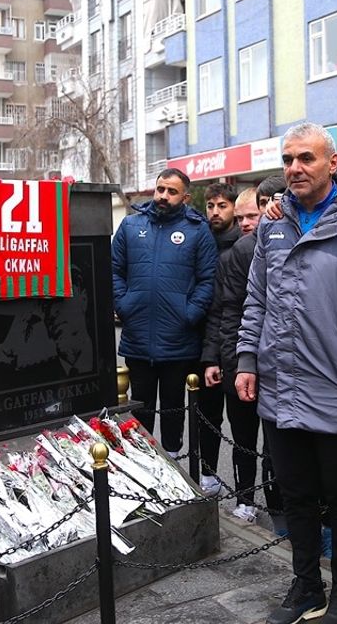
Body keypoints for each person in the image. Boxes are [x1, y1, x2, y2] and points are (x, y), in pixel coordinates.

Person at [236, 123, 337, 624]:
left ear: (333, 162)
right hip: (280, 389)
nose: (294, 168)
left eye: (305, 158)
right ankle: (306, 586)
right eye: (287, 160)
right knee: (296, 496)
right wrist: (246, 359)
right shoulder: (273, 224)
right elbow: (256, 298)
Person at [112, 168, 217, 457]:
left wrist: (189, 314)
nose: (163, 196)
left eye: (171, 192)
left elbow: (208, 280)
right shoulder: (131, 226)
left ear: (184, 196)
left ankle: (173, 464)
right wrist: (124, 305)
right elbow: (114, 271)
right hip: (138, 338)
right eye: (160, 189)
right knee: (139, 409)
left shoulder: (198, 230)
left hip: (178, 341)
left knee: (174, 411)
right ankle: (140, 465)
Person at [200, 184, 277, 521]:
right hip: (238, 358)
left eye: (252, 216)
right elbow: (223, 312)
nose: (246, 223)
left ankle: (279, 504)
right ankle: (245, 499)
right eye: (242, 217)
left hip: (275, 360)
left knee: (276, 445)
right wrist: (215, 357)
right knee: (243, 436)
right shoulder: (234, 256)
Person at [193, 181, 241, 493]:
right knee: (208, 418)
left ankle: (245, 492)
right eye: (210, 206)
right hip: (205, 342)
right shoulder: (202, 241)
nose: (215, 211)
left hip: (235, 344)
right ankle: (209, 477)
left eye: (222, 205)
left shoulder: (243, 243)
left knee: (243, 427)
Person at [205, 181, 240, 252]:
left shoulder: (245, 241)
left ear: (235, 208)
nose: (215, 213)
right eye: (210, 206)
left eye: (222, 206)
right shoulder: (199, 238)